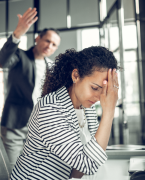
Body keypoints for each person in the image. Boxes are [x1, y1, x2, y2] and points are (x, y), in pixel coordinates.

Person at [11, 46, 120, 179]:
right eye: (94, 88)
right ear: (76, 75)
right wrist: (109, 111)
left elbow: (80, 167)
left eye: (104, 91)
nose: (99, 97)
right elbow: (87, 164)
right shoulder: (50, 108)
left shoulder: (87, 107)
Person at [0, 7, 61, 169]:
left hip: (40, 129)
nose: (50, 46)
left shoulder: (51, 66)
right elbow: (1, 62)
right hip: (15, 124)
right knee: (12, 171)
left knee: (34, 172)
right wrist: (17, 34)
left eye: (54, 45)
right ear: (38, 38)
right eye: (47, 41)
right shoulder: (19, 56)